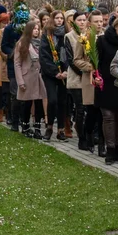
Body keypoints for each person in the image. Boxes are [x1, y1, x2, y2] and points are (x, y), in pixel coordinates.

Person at [96, 15, 118, 164]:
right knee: (108, 117)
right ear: (115, 27)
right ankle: (109, 149)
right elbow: (96, 61)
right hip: (105, 83)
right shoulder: (102, 40)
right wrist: (95, 76)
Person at [66, 12, 99, 151]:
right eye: (79, 20)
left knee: (93, 109)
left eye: (84, 19)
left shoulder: (98, 37)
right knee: (80, 109)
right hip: (77, 77)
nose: (82, 22)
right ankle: (82, 138)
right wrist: (86, 72)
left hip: (94, 79)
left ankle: (91, 135)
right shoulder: (71, 37)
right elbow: (72, 59)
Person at [13, 20, 48, 135]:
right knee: (27, 103)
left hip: (38, 76)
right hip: (27, 76)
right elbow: (17, 63)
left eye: (38, 29)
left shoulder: (41, 42)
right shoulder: (22, 43)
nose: (36, 31)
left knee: (38, 102)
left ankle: (37, 128)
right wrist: (20, 81)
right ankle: (25, 126)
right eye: (34, 29)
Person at [39, 11, 68, 141]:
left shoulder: (66, 35)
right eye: (57, 18)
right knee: (52, 100)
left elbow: (68, 54)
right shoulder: (47, 35)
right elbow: (44, 56)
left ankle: (61, 129)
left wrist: (65, 71)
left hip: (64, 73)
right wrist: (55, 72)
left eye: (62, 18)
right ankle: (50, 126)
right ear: (52, 19)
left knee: (63, 101)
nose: (59, 20)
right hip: (50, 74)